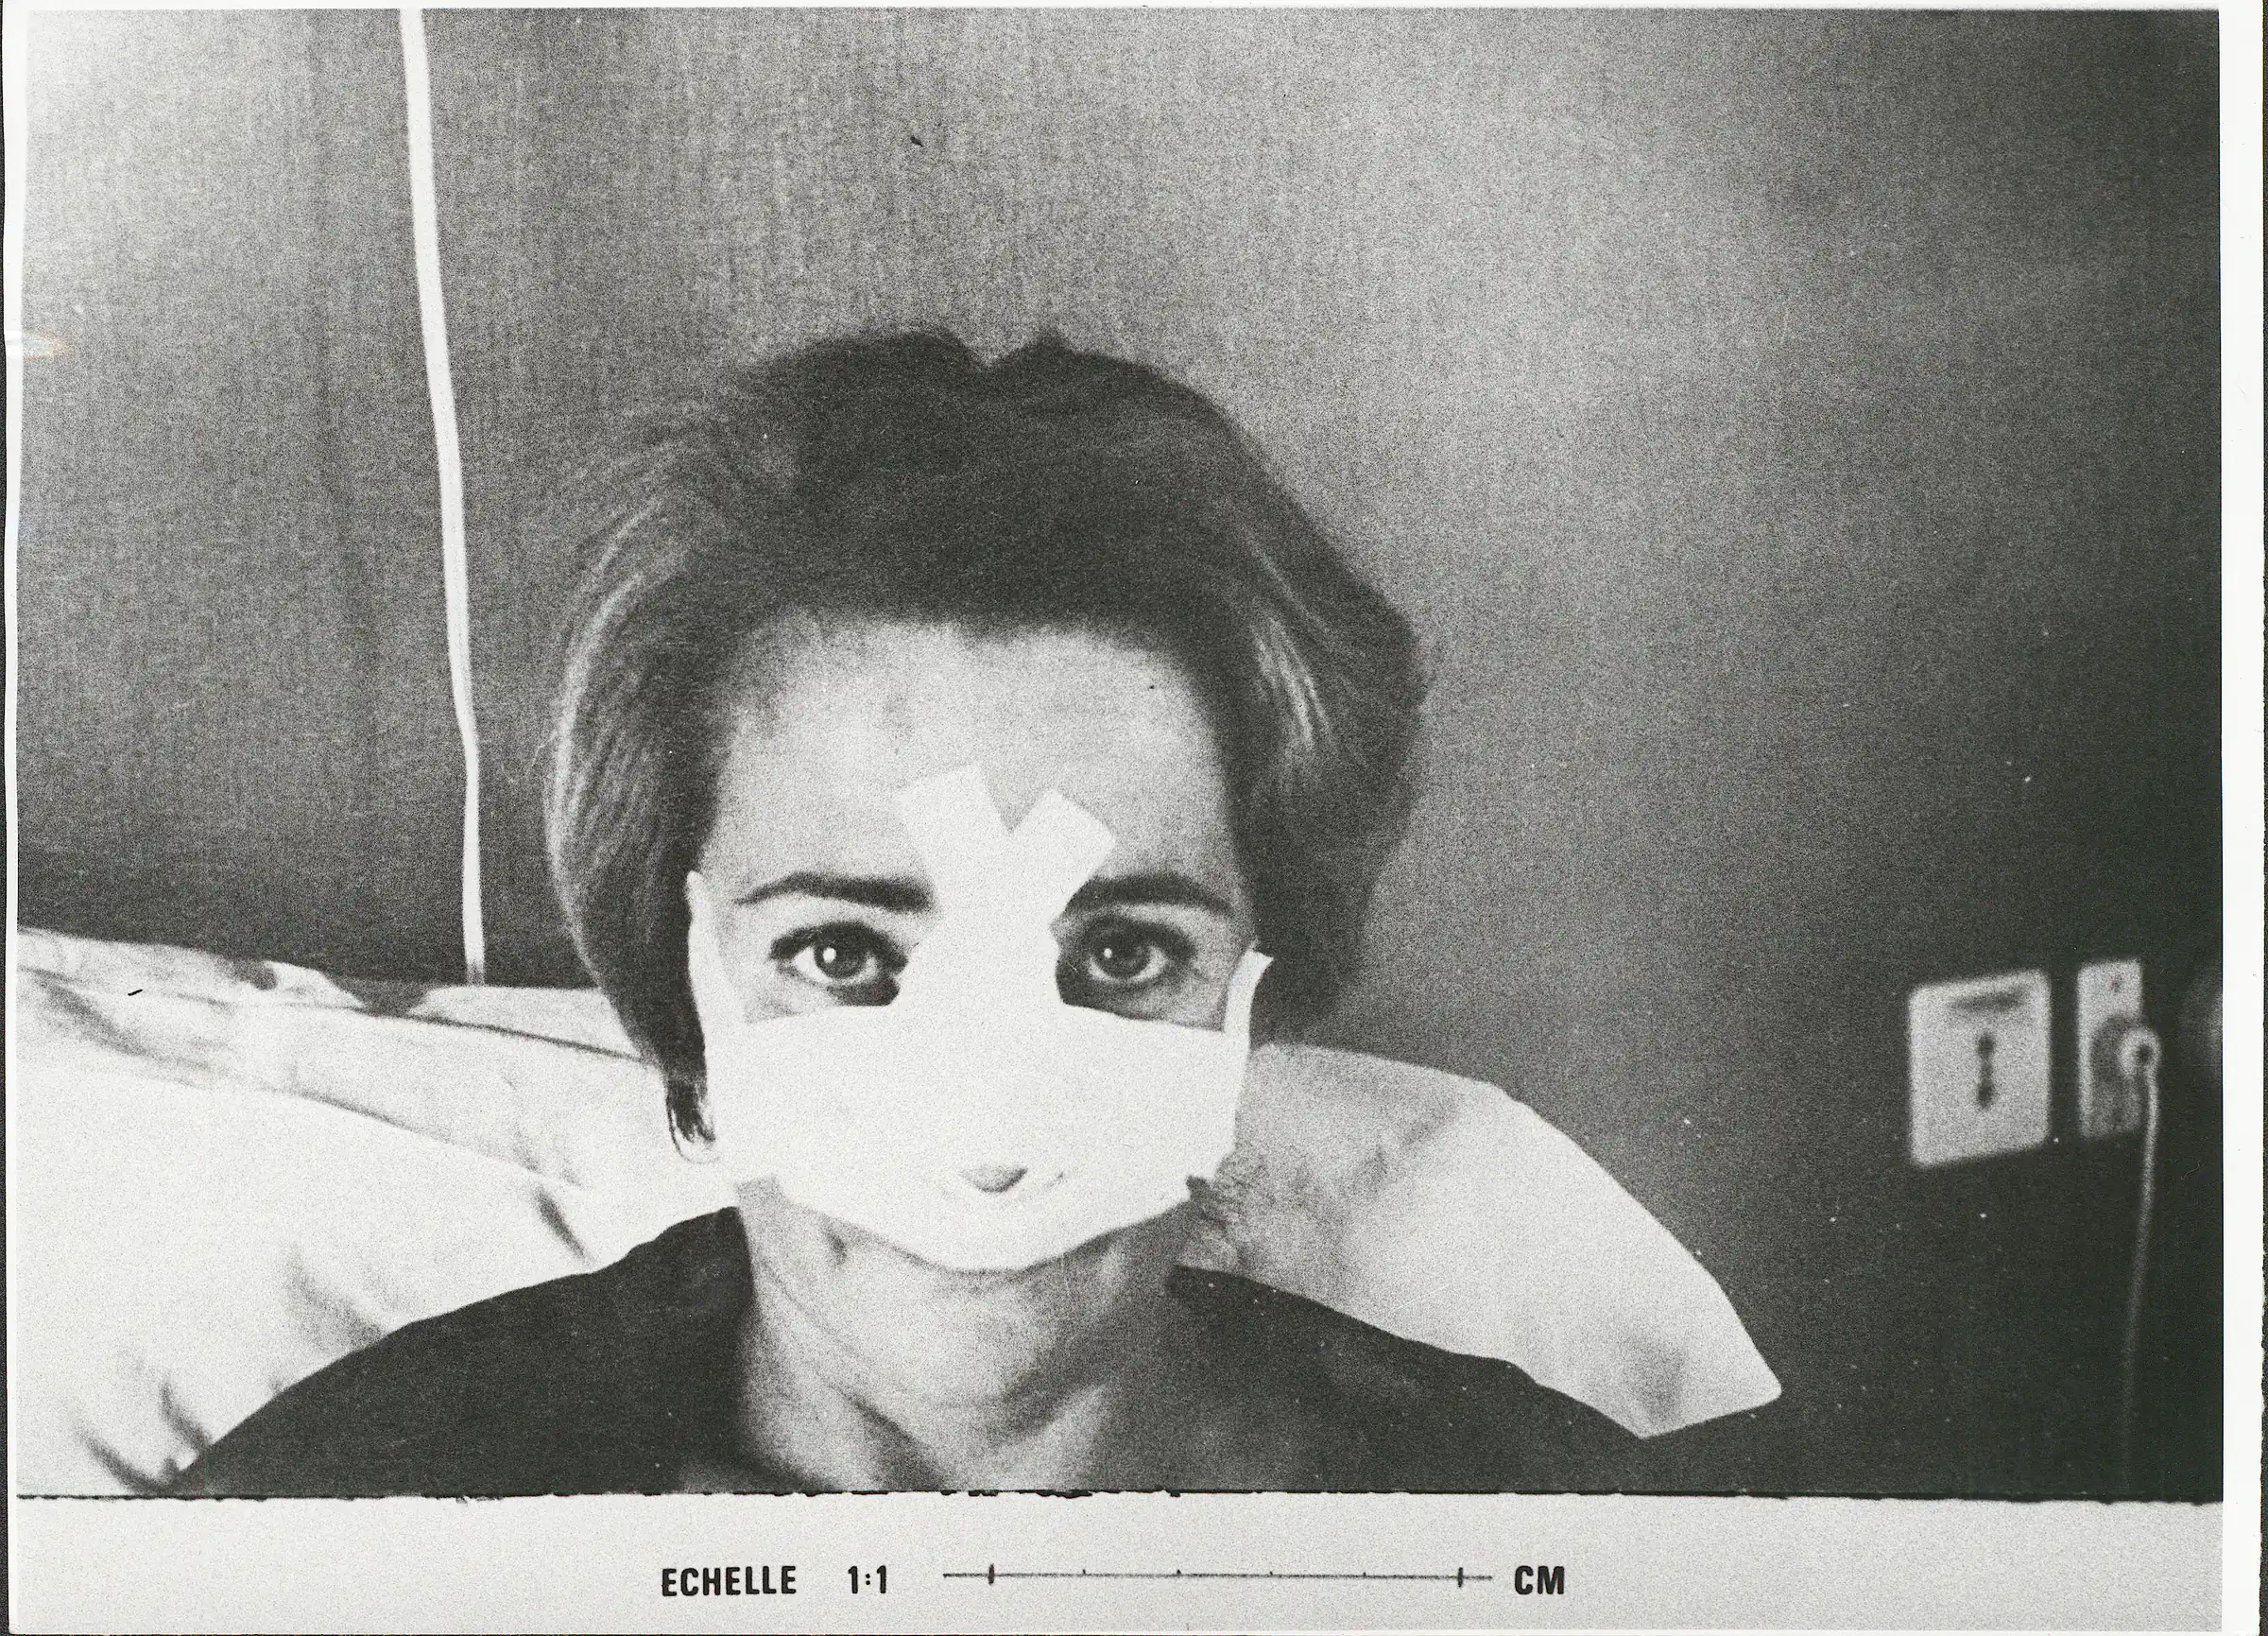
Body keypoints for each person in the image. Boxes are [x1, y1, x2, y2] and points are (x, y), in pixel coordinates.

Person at [177, 330, 1655, 1494]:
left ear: (1256, 991)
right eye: (845, 952)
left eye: (1123, 952)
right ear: (690, 986)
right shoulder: (342, 1525)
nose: (986, 1137)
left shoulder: (1547, 1522)